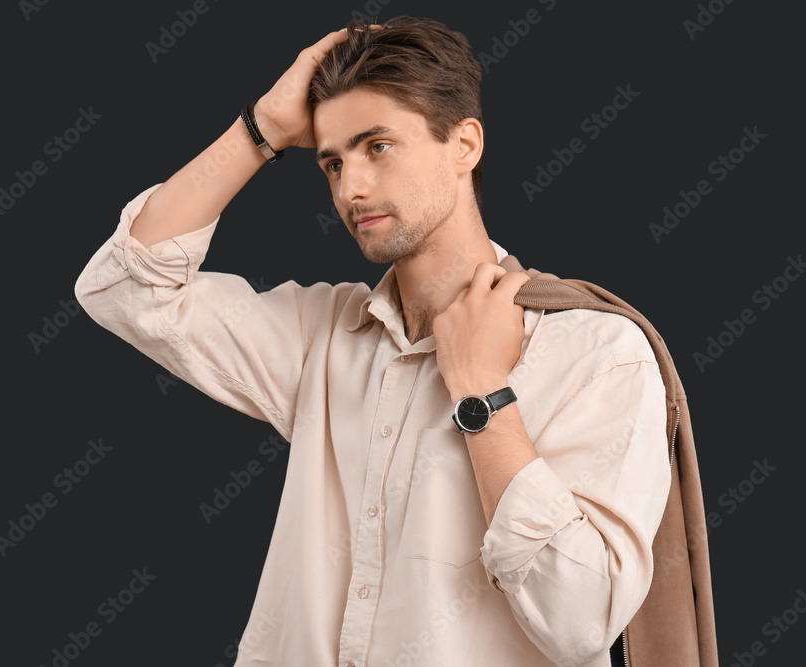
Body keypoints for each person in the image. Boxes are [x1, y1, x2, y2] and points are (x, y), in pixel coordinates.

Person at [74, 17, 672, 666]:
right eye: (332, 161)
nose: (350, 187)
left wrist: (484, 397)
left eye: (377, 145)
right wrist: (264, 130)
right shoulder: (323, 337)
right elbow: (124, 286)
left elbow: (582, 621)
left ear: (465, 144)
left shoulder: (598, 352)